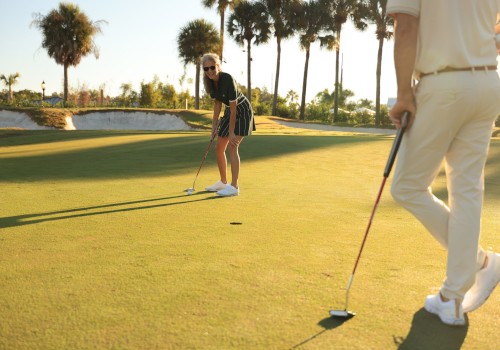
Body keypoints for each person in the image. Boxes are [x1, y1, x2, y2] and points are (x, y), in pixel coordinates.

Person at [386, 0, 500, 326]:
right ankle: (452, 300)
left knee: (407, 187)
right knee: (466, 190)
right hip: (488, 83)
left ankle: (479, 263)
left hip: (443, 84)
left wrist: (404, 94)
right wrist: (480, 42)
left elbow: (405, 27)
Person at [201, 53, 255, 197]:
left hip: (242, 110)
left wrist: (231, 132)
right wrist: (213, 128)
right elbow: (217, 107)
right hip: (229, 111)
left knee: (232, 145)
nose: (210, 71)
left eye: (212, 67)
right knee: (219, 147)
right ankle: (223, 182)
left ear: (218, 66)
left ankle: (234, 187)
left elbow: (234, 109)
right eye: (206, 69)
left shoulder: (227, 79)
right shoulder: (210, 83)